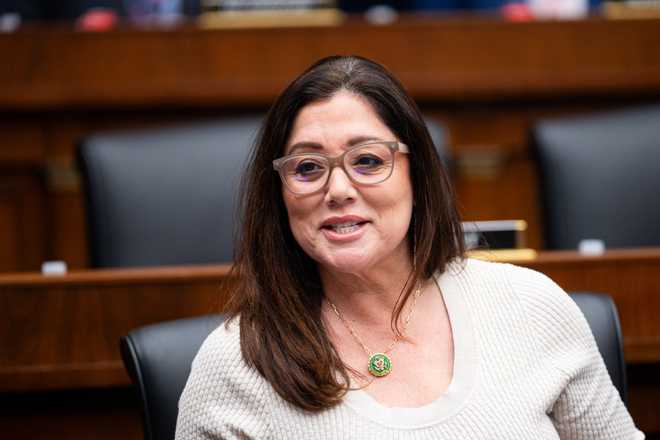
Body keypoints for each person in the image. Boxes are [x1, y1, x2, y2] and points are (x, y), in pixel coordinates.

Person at [175, 55, 643, 439]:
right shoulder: (234, 364)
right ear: (277, 192)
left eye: (367, 160)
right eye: (308, 167)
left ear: (416, 174)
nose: (337, 188)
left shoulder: (532, 305)